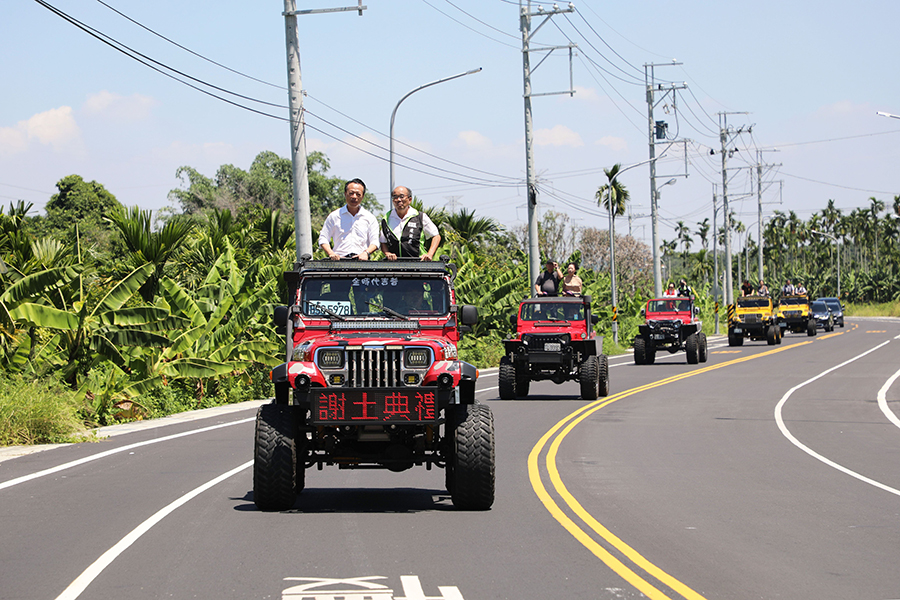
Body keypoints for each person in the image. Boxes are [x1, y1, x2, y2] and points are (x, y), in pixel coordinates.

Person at [319, 178, 379, 260]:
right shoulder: (334, 216)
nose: (354, 197)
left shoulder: (370, 218)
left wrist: (366, 253)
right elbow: (323, 238)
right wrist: (331, 253)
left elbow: (375, 242)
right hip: (339, 261)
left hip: (362, 262)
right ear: (345, 194)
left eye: (358, 194)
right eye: (351, 193)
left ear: (363, 196)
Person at [379, 186, 441, 261]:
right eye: (395, 197)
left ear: (409, 199)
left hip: (418, 265)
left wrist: (429, 254)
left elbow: (436, 236)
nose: (398, 200)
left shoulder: (420, 217)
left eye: (402, 196)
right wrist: (387, 253)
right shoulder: (386, 219)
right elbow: (383, 242)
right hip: (394, 266)